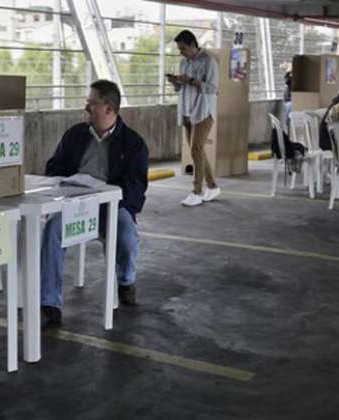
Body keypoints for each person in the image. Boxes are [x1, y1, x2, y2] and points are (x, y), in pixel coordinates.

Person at [40, 80, 148, 327]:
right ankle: (50, 303)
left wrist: (114, 197)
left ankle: (126, 280)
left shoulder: (133, 143)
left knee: (126, 232)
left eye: (91, 104)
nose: (86, 109)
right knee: (53, 229)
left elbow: (137, 187)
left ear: (109, 108)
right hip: (75, 203)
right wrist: (66, 182)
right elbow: (53, 166)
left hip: (112, 206)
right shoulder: (75, 135)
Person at [167, 29, 220, 207]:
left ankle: (196, 191)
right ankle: (212, 186)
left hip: (203, 111)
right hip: (187, 110)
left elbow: (213, 88)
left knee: (196, 149)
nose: (181, 52)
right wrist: (176, 83)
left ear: (191, 45)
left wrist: (190, 81)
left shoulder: (209, 61)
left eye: (182, 48)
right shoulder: (184, 63)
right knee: (197, 151)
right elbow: (181, 89)